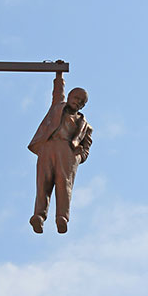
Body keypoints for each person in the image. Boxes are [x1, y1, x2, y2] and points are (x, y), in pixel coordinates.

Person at [28, 69, 92, 233]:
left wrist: (77, 156)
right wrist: (59, 75)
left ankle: (62, 217)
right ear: (69, 97)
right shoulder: (58, 107)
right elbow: (58, 92)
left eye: (81, 102)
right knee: (44, 182)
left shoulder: (85, 125)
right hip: (49, 146)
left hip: (67, 152)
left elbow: (86, 148)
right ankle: (39, 216)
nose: (77, 102)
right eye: (76, 98)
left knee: (64, 184)